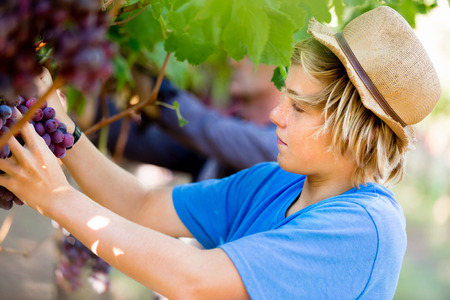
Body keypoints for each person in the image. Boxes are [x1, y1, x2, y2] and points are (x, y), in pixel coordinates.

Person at [0, 6, 441, 299]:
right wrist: (65, 131)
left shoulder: (366, 229)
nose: (276, 116)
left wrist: (57, 198)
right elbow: (142, 205)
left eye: (300, 107)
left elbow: (195, 280)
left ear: (357, 132)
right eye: (285, 98)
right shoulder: (275, 182)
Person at [101, 57, 280, 181]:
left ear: (285, 66)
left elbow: (208, 130)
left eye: (250, 54)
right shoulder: (213, 148)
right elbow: (142, 142)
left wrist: (162, 93)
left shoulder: (282, 146)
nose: (233, 61)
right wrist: (92, 110)